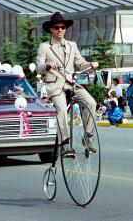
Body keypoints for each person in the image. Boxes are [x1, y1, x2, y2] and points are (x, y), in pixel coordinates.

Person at [36, 12, 98, 158]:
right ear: (51, 29)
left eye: (63, 27)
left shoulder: (72, 45)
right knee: (62, 109)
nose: (60, 30)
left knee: (91, 102)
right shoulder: (45, 47)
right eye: (57, 28)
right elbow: (38, 67)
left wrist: (91, 64)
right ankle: (64, 144)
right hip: (55, 85)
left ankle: (88, 137)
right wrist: (48, 65)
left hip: (71, 83)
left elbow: (80, 64)